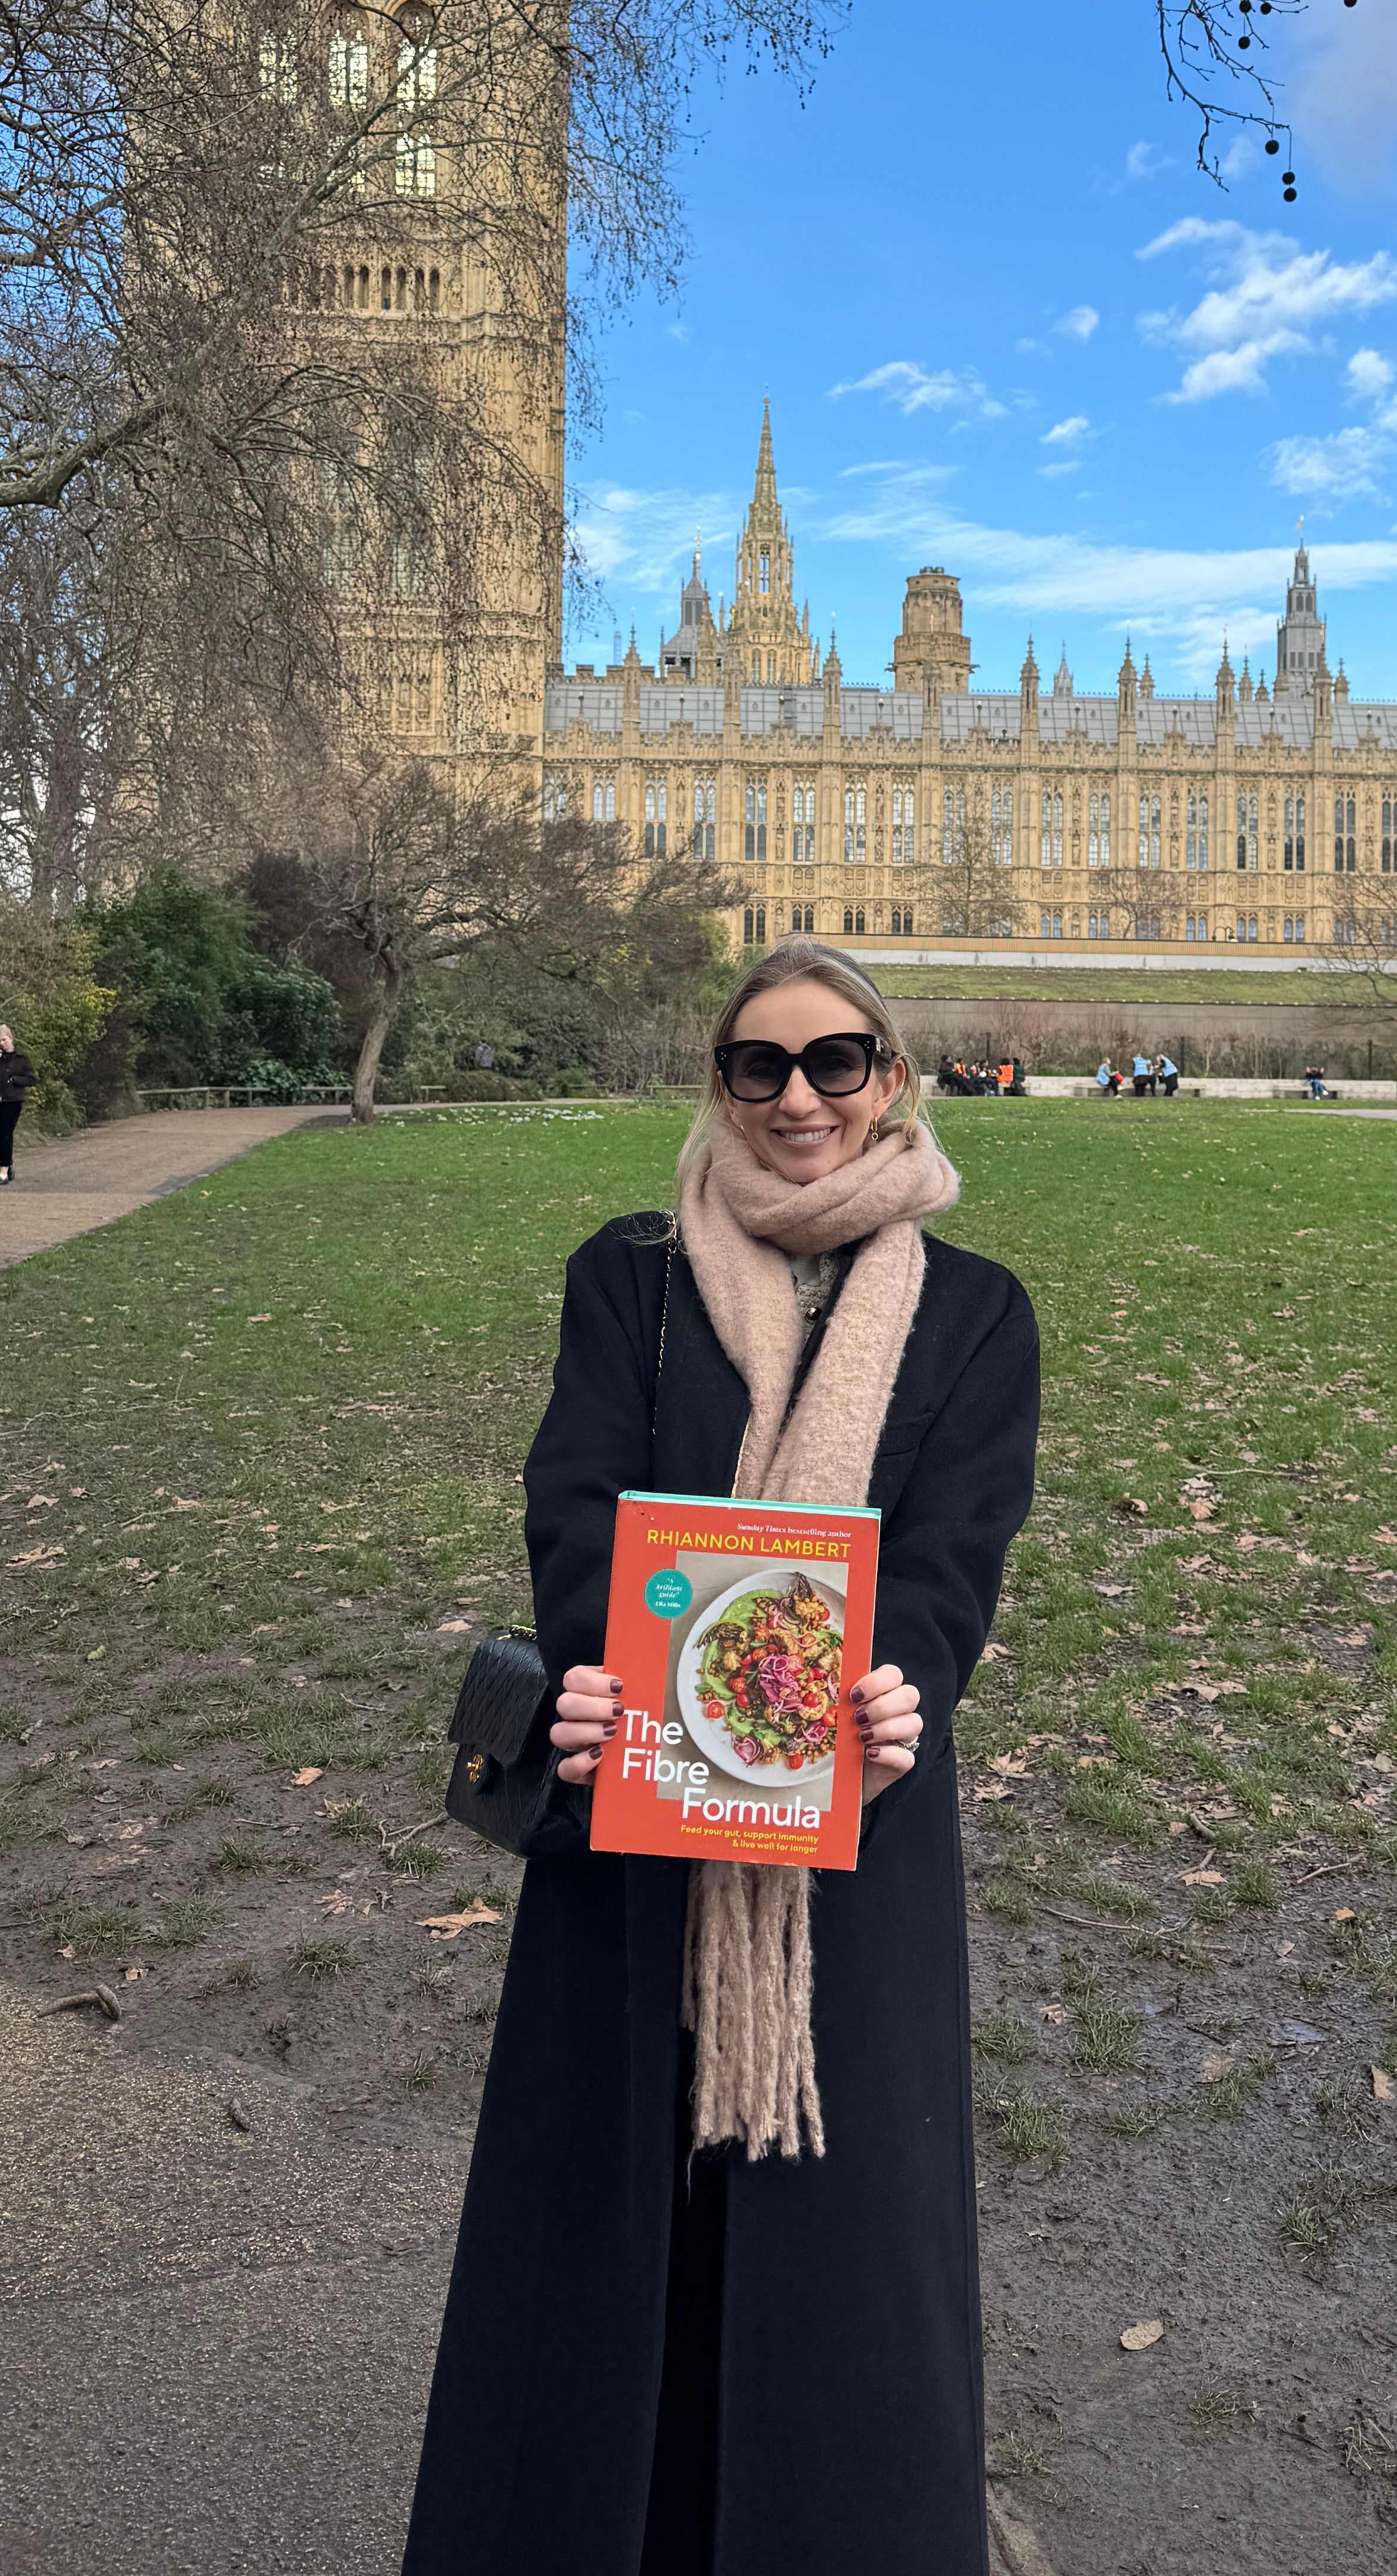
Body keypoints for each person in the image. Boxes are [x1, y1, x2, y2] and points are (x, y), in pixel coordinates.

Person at [404, 938, 1040, 2576]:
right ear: (717, 1086)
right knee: (612, 2231)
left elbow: (951, 1560)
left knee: (839, 2255)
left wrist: (903, 1685)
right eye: (758, 1068)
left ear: (890, 1079)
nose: (798, 1100)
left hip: (853, 1833)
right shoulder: (627, 1275)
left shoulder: (971, 1313)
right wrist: (621, 1673)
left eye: (835, 1063)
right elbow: (578, 1514)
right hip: (642, 1811)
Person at [0, 1024, 34, 1183]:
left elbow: (31, 1080)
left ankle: (3, 1173)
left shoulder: (21, 1059)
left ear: (11, 1039)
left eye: (4, 1039)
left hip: (12, 1101)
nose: (2, 1043)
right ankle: (7, 1162)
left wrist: (15, 1080)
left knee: (5, 1134)